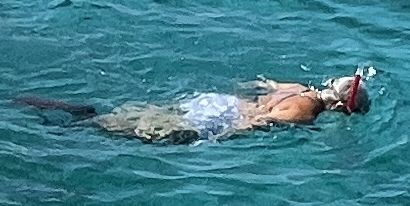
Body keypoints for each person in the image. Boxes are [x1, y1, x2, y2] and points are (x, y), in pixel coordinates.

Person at [19, 71, 370, 144]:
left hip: (218, 101)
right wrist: (217, 139)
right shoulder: (305, 112)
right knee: (133, 133)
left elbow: (263, 84)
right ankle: (73, 124)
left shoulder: (297, 87)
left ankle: (80, 115)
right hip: (223, 116)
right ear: (341, 104)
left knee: (148, 115)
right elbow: (260, 121)